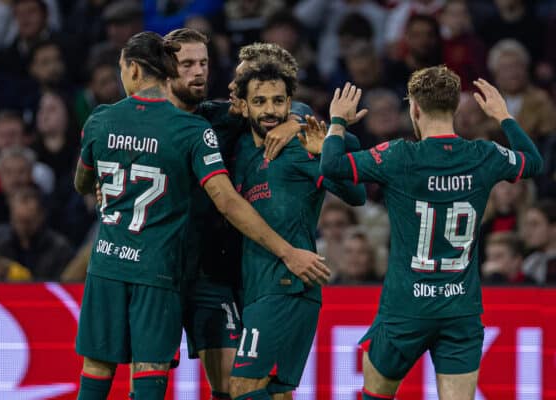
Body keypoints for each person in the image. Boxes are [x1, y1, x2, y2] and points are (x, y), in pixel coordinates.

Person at [73, 31, 329, 400]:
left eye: (204, 63)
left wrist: (296, 120)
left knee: (232, 387)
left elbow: (283, 107)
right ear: (165, 69)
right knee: (146, 369)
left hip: (210, 273)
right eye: (187, 64)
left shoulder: (220, 118)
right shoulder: (177, 128)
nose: (199, 73)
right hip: (160, 267)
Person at [315, 67, 543, 399]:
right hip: (460, 309)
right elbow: (533, 162)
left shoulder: (398, 155)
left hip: (406, 308)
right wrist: (504, 116)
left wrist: (337, 122)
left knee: (376, 395)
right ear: (454, 108)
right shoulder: (483, 154)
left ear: (415, 109)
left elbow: (331, 166)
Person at [228, 61, 366, 400]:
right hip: (259, 285)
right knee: (276, 392)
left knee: (244, 387)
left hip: (287, 282)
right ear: (243, 105)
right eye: (259, 102)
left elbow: (356, 194)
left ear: (290, 102)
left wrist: (329, 148)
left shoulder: (300, 144)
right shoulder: (242, 146)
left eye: (278, 101)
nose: (270, 110)